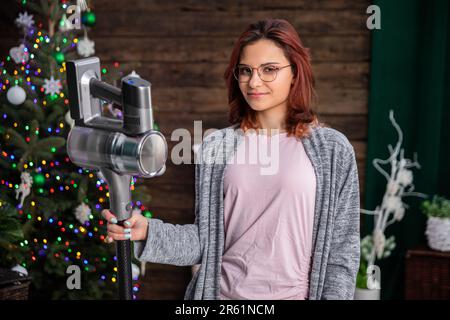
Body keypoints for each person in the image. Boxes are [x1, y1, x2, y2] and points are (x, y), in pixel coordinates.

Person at [102, 18, 360, 300]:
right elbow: (205, 241)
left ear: (295, 73)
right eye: (246, 71)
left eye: (270, 70)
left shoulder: (332, 149)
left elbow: (342, 252)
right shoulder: (217, 146)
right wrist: (149, 231)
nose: (254, 81)